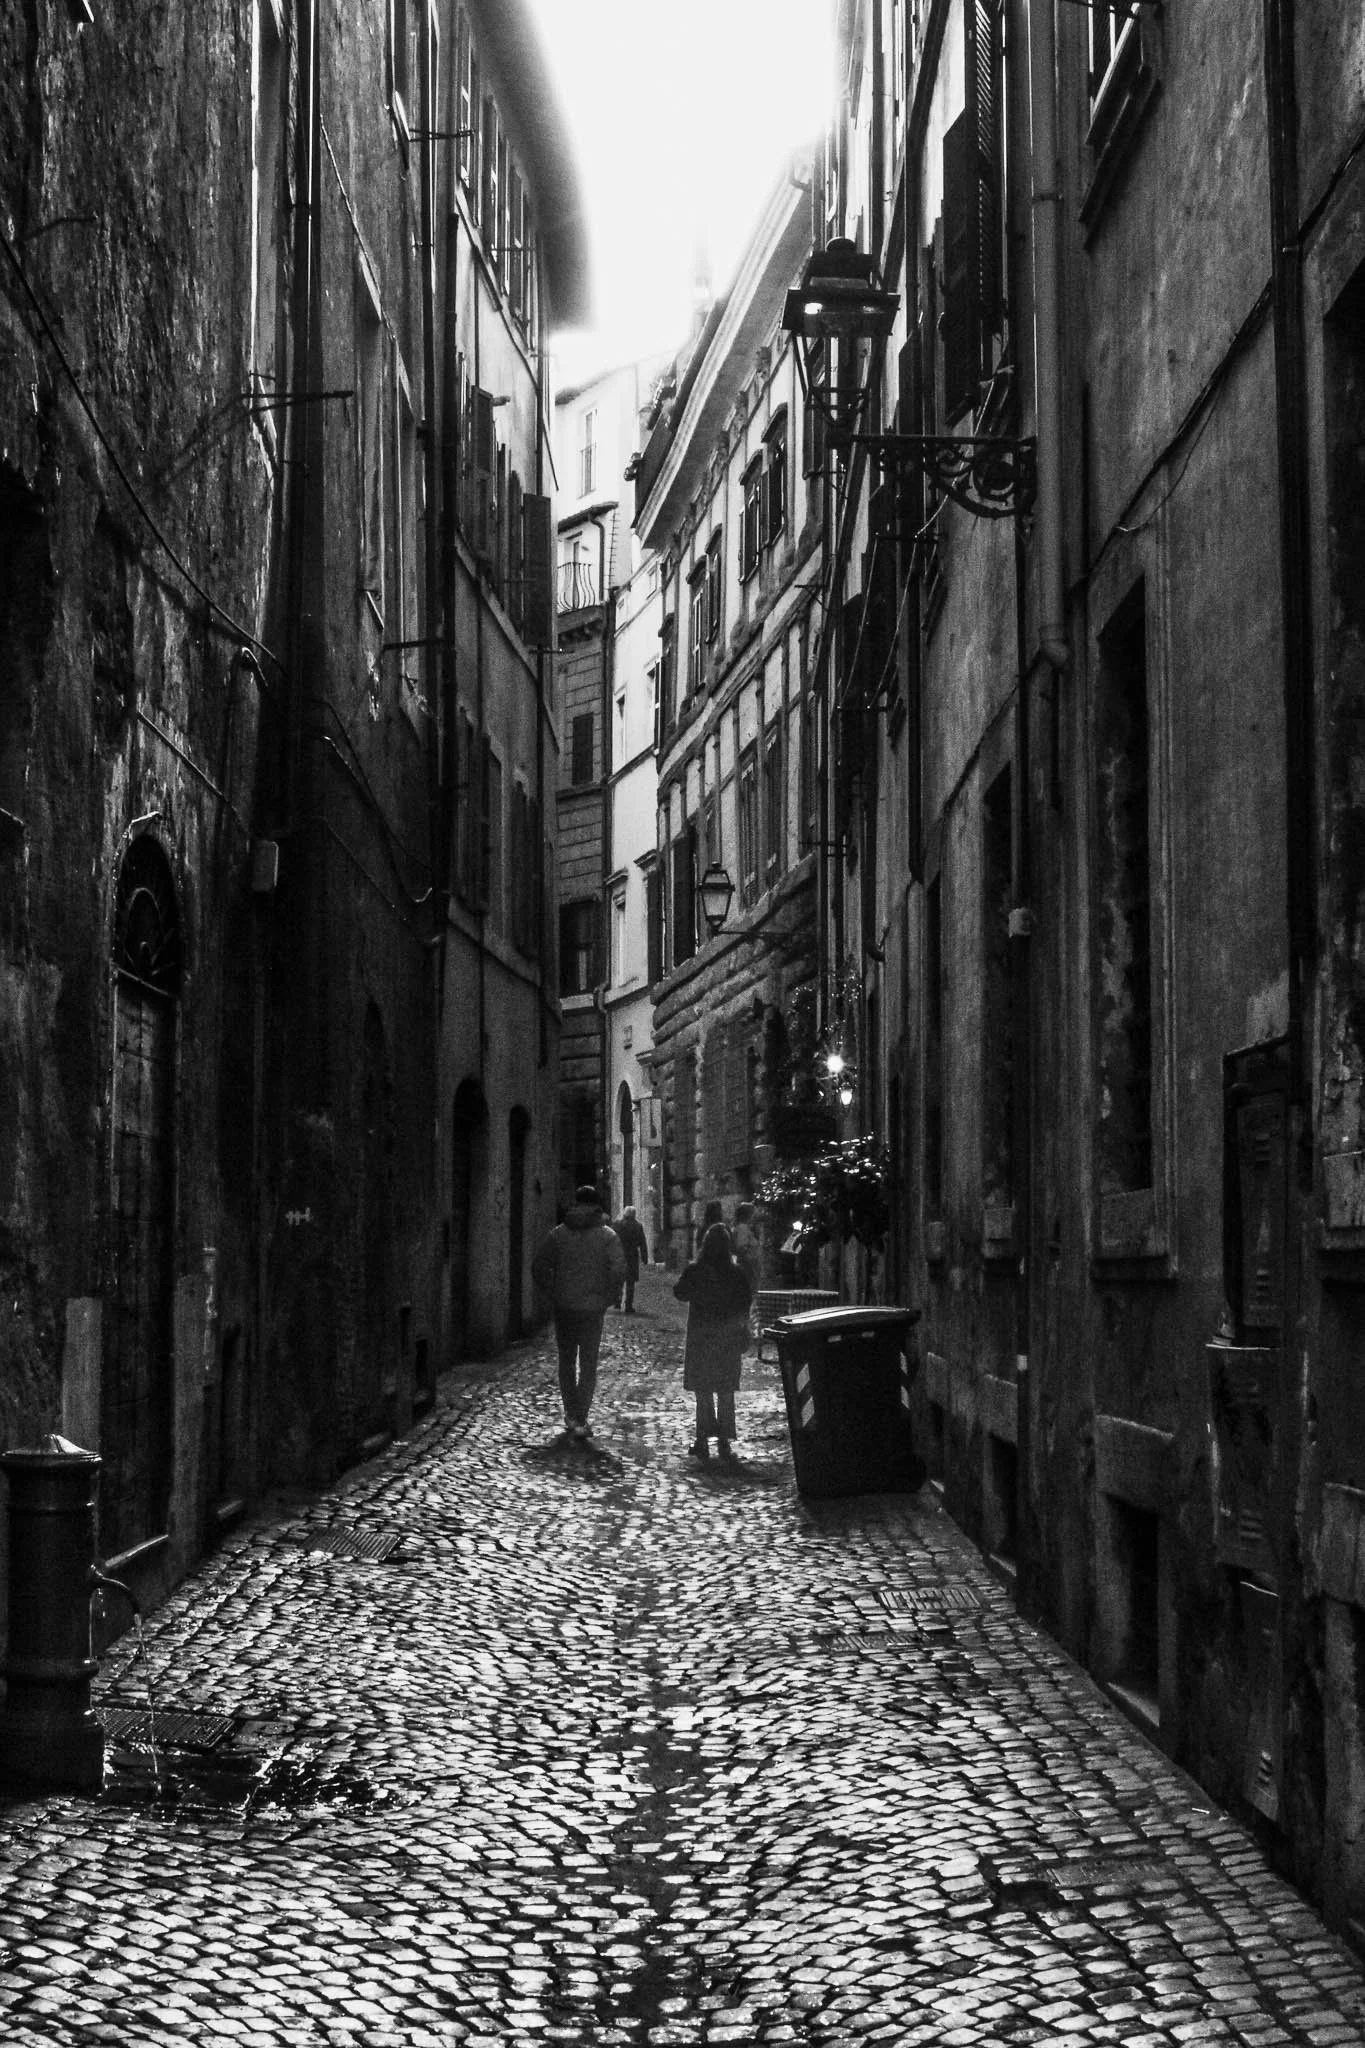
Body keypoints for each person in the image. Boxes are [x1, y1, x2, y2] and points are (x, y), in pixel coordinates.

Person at [532, 1185, 626, 1441]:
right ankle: (581, 1415)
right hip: (592, 1309)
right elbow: (619, 1270)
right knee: (588, 1363)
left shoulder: (558, 1234)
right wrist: (608, 1297)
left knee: (566, 1361)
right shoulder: (607, 1236)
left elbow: (539, 1265)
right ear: (598, 1206)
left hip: (564, 1307)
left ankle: (570, 1412)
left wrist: (552, 1292)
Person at [673, 1222, 753, 1464]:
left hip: (702, 1337)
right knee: (726, 1390)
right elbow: (745, 1302)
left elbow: (680, 1292)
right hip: (727, 1338)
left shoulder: (696, 1270)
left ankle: (702, 1440)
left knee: (703, 1390)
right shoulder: (736, 1273)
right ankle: (725, 1442)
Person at [611, 1205, 650, 1313]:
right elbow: (642, 1243)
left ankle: (617, 1301)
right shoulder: (637, 1226)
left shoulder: (617, 1224)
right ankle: (628, 1305)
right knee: (630, 1282)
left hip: (619, 1254)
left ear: (624, 1214)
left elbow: (611, 1240)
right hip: (632, 1256)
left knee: (618, 1278)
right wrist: (645, 1257)